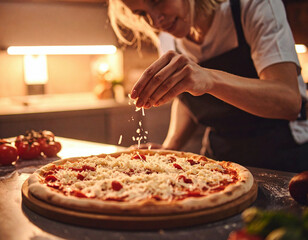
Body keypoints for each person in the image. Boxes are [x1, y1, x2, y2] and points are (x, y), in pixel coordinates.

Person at [108, 0, 308, 172]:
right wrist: (170, 148)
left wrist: (209, 78)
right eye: (141, 13)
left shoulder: (254, 7)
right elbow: (187, 99)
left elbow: (288, 102)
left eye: (158, 0)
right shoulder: (169, 40)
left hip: (284, 156)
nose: (154, 21)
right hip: (221, 158)